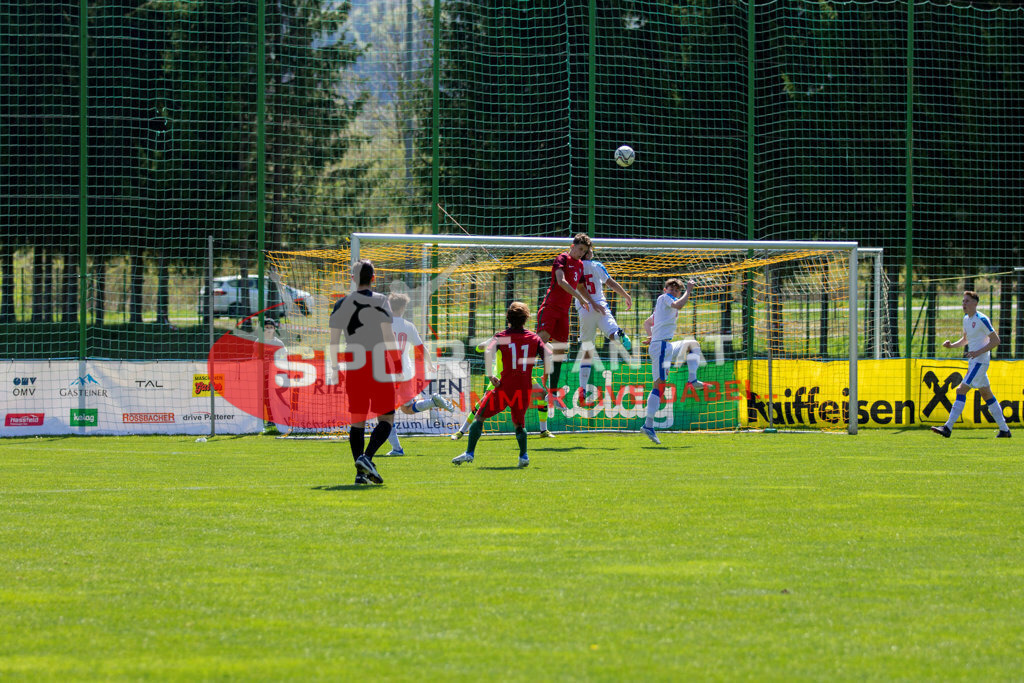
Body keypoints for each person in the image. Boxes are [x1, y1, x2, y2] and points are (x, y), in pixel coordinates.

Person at [452, 301, 548, 468]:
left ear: (508, 318)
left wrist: (490, 374)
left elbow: (487, 350)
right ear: (526, 319)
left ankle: (469, 453)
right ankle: (523, 456)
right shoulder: (534, 337)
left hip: (504, 386)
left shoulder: (501, 336)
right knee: (519, 424)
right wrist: (546, 379)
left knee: (480, 416)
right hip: (524, 388)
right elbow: (548, 356)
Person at [329, 259, 397, 485]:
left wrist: (334, 368)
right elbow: (388, 336)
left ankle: (361, 473)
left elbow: (333, 342)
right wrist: (396, 362)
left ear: (352, 279)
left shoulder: (341, 304)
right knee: (386, 417)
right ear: (373, 278)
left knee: (357, 420)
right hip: (378, 361)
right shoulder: (381, 300)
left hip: (354, 363)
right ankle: (366, 458)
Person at [535, 232, 601, 425]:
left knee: (560, 352)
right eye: (580, 249)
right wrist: (580, 299)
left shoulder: (580, 265)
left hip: (563, 313)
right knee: (540, 341)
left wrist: (591, 302)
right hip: (550, 308)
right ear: (572, 245)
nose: (581, 253)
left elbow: (581, 287)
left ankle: (553, 394)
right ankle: (520, 369)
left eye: (585, 251)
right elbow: (561, 281)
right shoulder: (562, 258)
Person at [930, 290, 1011, 438]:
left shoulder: (982, 319)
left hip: (980, 362)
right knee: (987, 394)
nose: (964, 304)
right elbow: (966, 339)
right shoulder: (966, 319)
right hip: (974, 361)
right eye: (963, 301)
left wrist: (978, 352)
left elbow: (996, 341)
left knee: (961, 390)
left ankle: (947, 427)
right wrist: (951, 346)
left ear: (975, 303)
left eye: (967, 301)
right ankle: (1005, 430)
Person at [385, 292, 455, 456]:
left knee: (385, 415)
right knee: (407, 408)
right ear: (403, 308)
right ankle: (432, 402)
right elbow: (421, 348)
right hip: (406, 372)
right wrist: (429, 363)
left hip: (388, 374)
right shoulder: (409, 326)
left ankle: (397, 449)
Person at [639, 278, 701, 445]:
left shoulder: (665, 305)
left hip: (666, 345)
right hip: (660, 347)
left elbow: (647, 322)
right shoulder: (664, 298)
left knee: (693, 344)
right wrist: (689, 290)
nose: (673, 291)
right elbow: (679, 305)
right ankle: (648, 425)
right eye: (671, 288)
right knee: (659, 385)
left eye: (677, 290)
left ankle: (692, 380)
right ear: (665, 289)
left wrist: (651, 335)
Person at [450, 340, 552, 440]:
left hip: (522, 375)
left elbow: (547, 347)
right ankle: (461, 431)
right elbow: (479, 348)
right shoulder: (502, 337)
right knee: (482, 405)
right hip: (501, 378)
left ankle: (543, 431)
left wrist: (543, 342)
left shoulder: (525, 336)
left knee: (541, 393)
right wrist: (490, 341)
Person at [574, 246, 633, 403]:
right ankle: (619, 335)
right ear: (587, 252)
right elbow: (611, 283)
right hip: (600, 306)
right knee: (612, 332)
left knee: (587, 349)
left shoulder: (575, 266)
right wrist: (626, 295)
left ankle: (582, 388)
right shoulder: (597, 265)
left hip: (584, 308)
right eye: (591, 250)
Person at [254, 317, 290, 435]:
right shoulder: (258, 342)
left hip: (274, 376)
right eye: (266, 327)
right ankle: (261, 421)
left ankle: (272, 420)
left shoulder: (278, 343)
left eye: (271, 327)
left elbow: (284, 357)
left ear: (274, 329)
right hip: (261, 375)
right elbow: (254, 357)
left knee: (272, 398)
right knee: (262, 398)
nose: (269, 330)